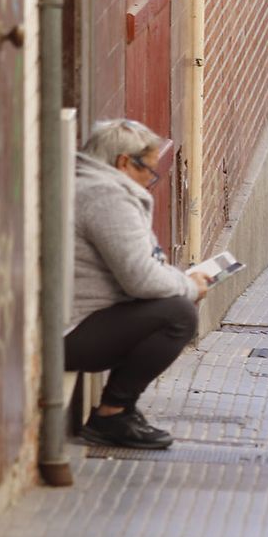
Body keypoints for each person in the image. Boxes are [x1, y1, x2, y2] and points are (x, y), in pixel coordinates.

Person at [66, 119, 210, 450]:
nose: (150, 181)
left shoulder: (87, 184)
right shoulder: (105, 198)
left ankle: (118, 411)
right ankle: (112, 415)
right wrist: (189, 286)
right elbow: (141, 278)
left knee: (171, 304)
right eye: (149, 171)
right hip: (69, 333)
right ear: (124, 163)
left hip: (75, 322)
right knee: (179, 314)